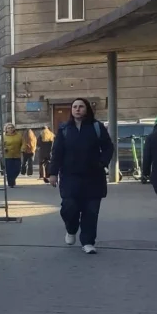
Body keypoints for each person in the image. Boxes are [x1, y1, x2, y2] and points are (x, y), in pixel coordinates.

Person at [47, 98, 114, 255]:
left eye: (81, 106)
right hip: (70, 177)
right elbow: (57, 152)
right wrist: (52, 173)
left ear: (87, 109)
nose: (77, 109)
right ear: (71, 110)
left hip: (93, 177)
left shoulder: (96, 127)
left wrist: (102, 163)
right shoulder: (64, 129)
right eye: (75, 107)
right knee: (69, 207)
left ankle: (88, 242)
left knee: (91, 210)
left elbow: (108, 147)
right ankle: (71, 229)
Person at [1, 123, 24, 188]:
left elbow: (23, 143)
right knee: (9, 170)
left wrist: (22, 149)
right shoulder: (4, 136)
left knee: (17, 169)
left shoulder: (19, 135)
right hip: (8, 156)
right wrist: (3, 148)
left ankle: (12, 179)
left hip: (17, 155)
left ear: (14, 128)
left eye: (11, 127)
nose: (10, 129)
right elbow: (0, 145)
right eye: (8, 128)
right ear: (6, 129)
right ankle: (11, 183)